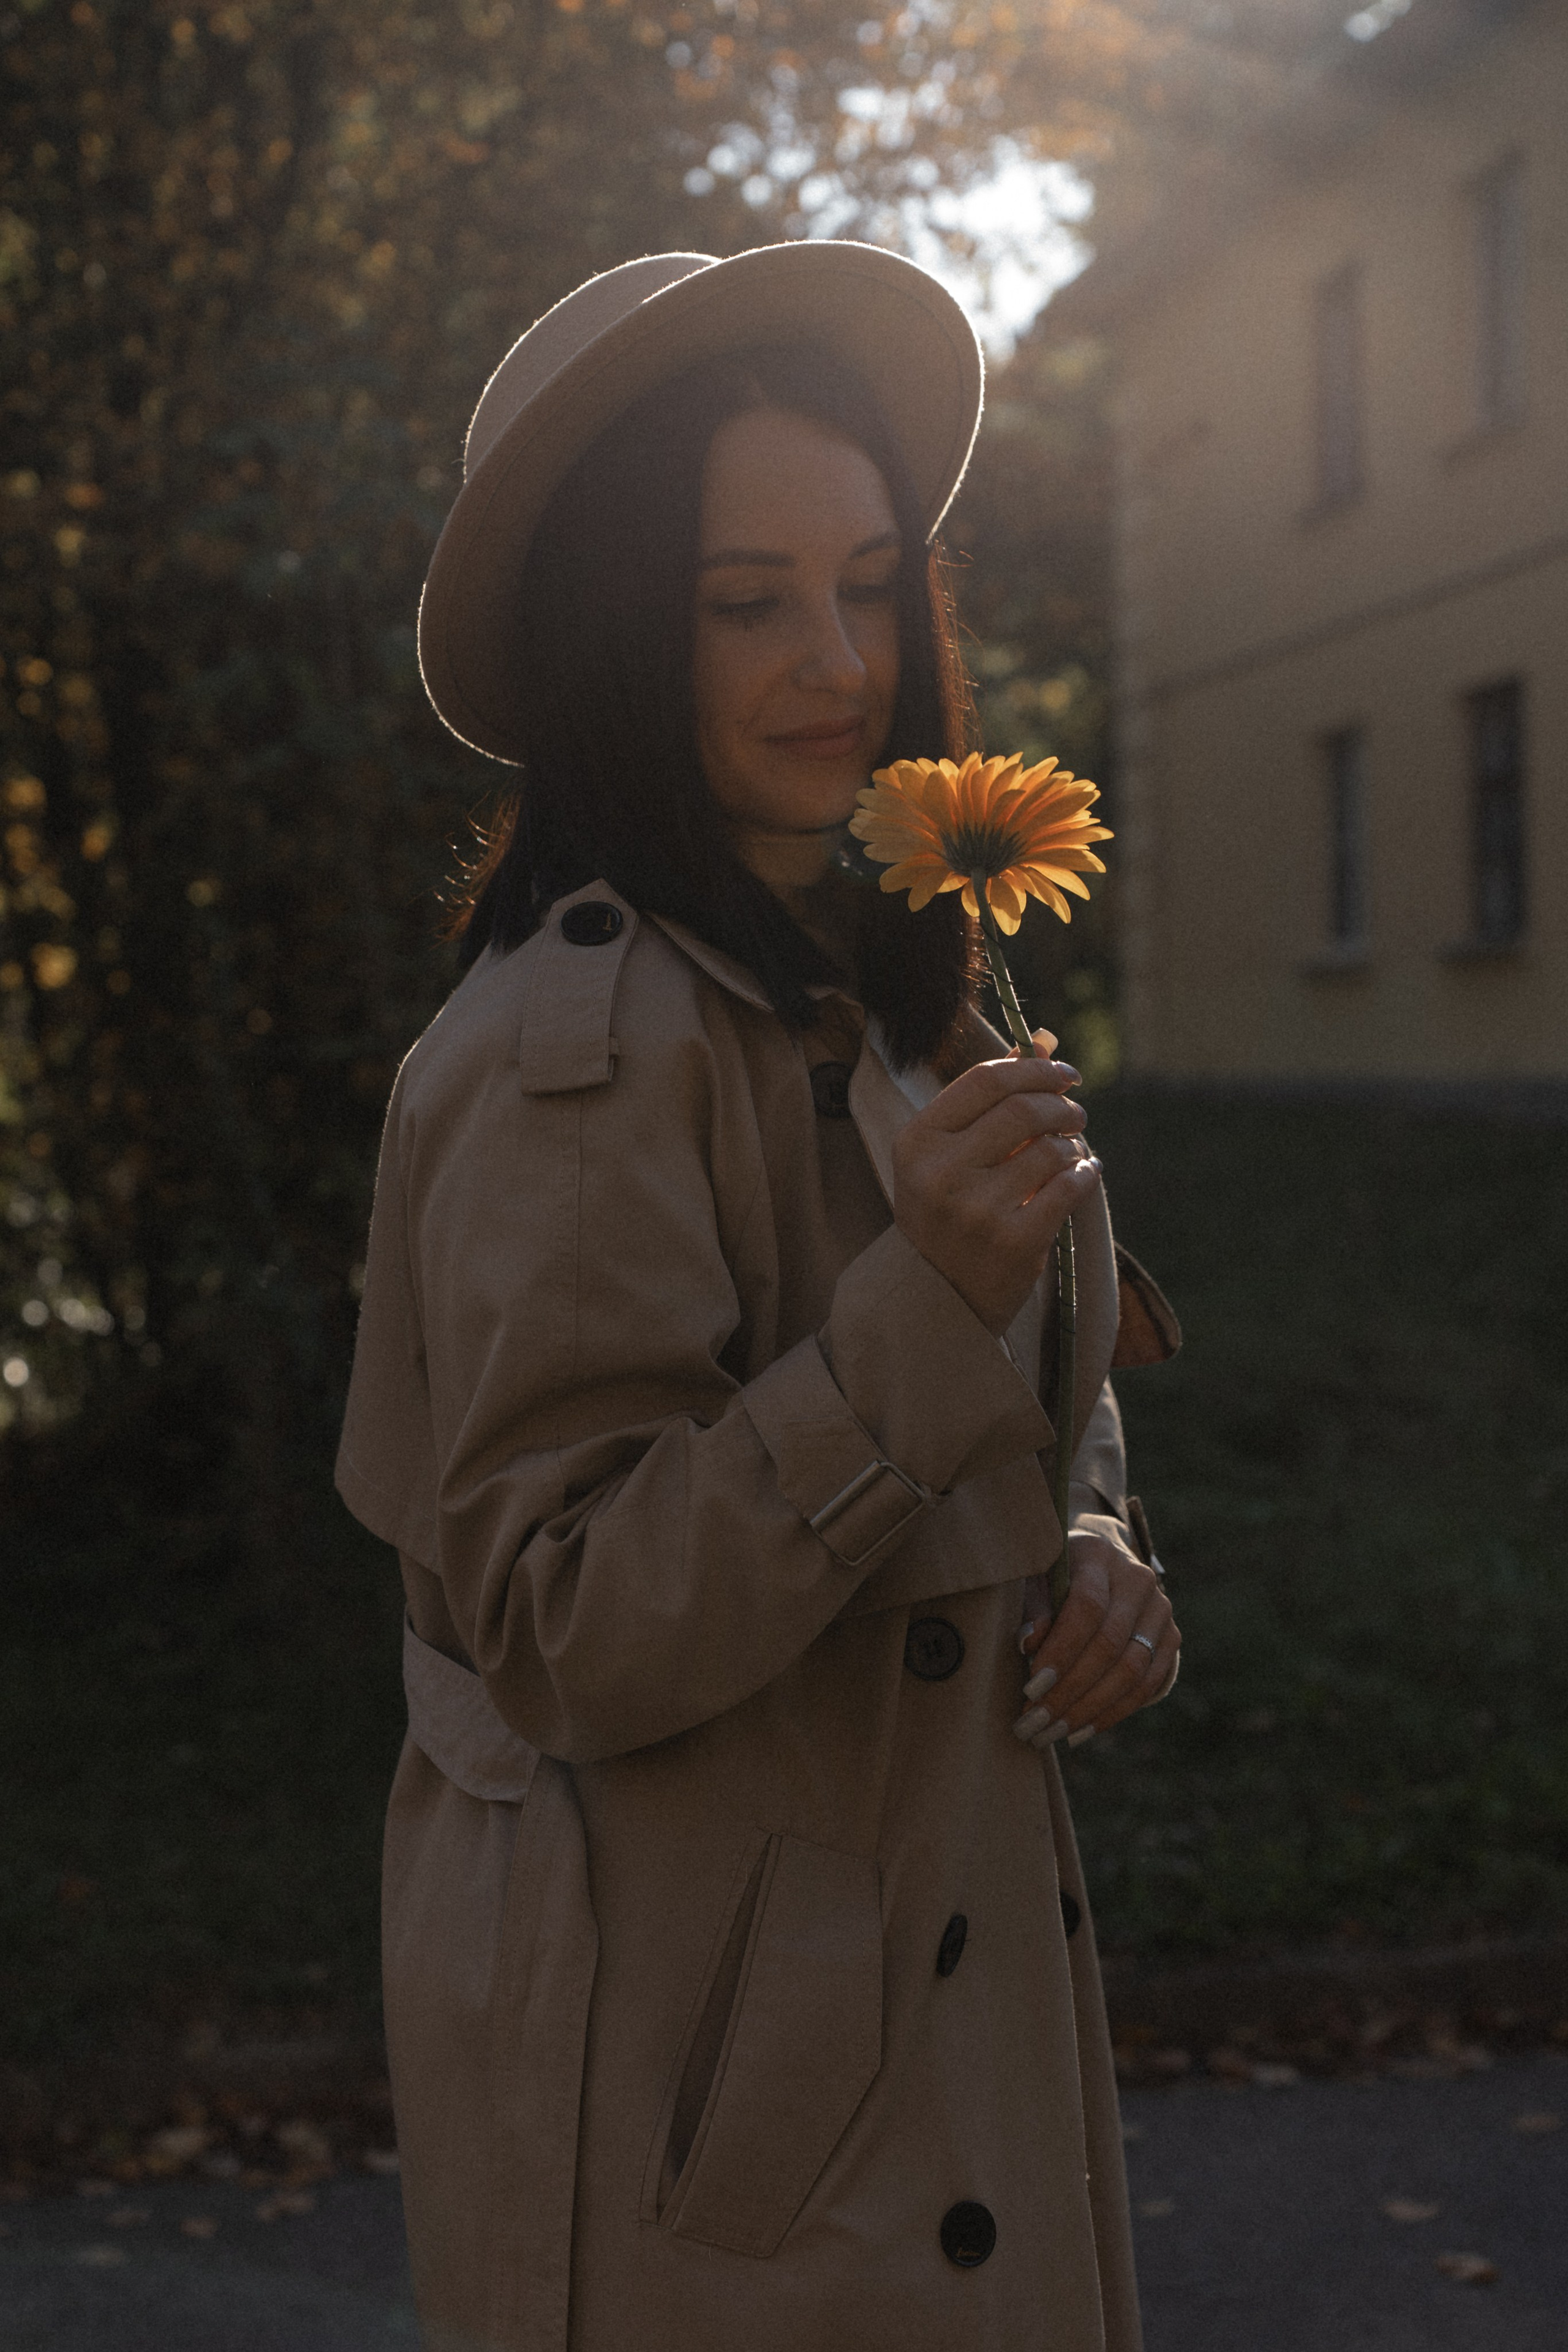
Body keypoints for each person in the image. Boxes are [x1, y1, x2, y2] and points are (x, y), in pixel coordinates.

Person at [337, 241, 1181, 2352]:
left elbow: (1034, 1394)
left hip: (947, 2044)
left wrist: (1095, 1544)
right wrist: (919, 1316)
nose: (842, 659)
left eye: (873, 582)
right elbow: (562, 1624)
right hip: (721, 2150)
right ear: (626, 636)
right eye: (748, 602)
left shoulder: (904, 976)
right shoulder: (579, 1047)